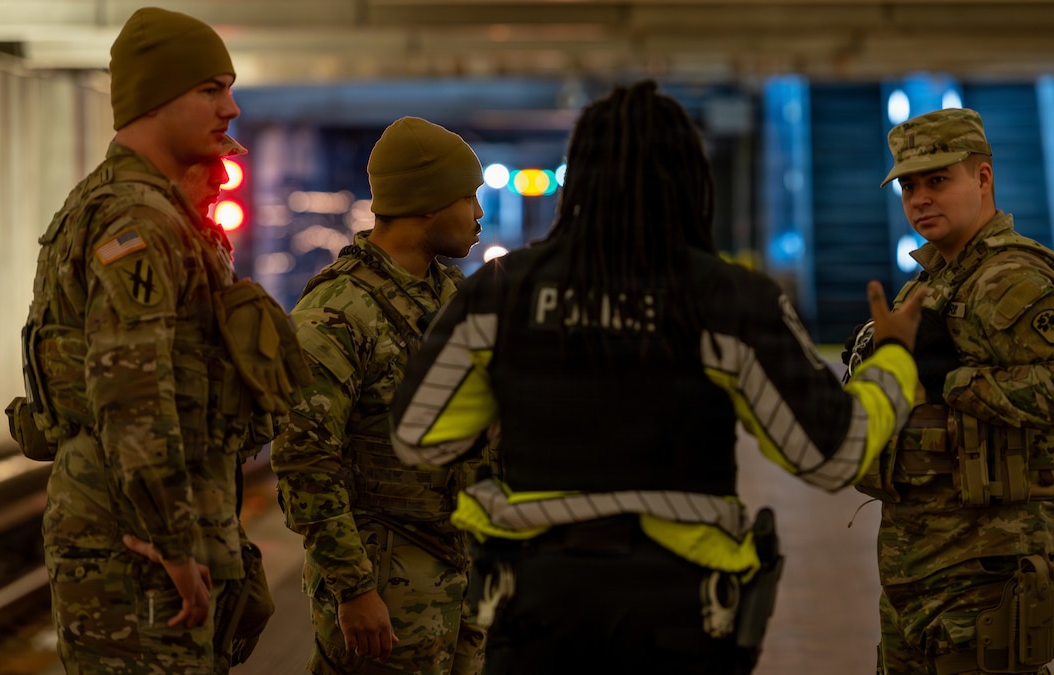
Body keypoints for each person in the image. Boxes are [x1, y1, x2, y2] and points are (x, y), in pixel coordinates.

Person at [387, 80, 928, 675]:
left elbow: (420, 434)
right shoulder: (730, 299)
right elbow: (833, 454)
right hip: (683, 616)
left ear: (581, 180)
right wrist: (895, 361)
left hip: (536, 606)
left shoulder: (501, 293)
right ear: (690, 182)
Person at [14, 6, 309, 674]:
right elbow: (132, 394)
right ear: (153, 98)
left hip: (138, 532)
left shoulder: (141, 208)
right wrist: (175, 545)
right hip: (135, 547)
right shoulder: (137, 220)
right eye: (210, 89)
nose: (230, 108)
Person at [849, 108, 1054, 674]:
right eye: (909, 186)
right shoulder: (933, 281)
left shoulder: (1012, 276)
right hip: (919, 567)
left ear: (982, 178)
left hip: (986, 565)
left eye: (938, 180)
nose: (919, 199)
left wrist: (950, 379)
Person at [272, 116, 489, 675]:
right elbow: (304, 460)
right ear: (428, 203)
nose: (480, 214)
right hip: (385, 583)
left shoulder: (450, 298)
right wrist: (353, 589)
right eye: (469, 198)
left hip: (458, 569)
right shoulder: (337, 313)